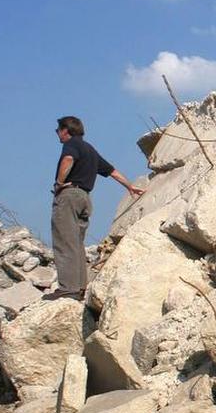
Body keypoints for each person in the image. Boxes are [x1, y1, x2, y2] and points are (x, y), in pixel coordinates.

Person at [45, 116, 144, 301]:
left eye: (58, 130)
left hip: (69, 196)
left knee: (64, 242)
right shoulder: (89, 149)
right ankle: (80, 287)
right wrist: (129, 186)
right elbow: (111, 171)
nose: (57, 134)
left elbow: (67, 159)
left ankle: (67, 289)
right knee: (76, 243)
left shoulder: (71, 144)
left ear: (66, 130)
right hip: (85, 198)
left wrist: (59, 183)